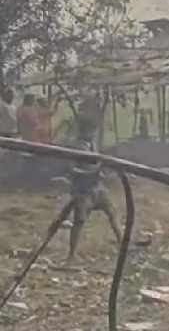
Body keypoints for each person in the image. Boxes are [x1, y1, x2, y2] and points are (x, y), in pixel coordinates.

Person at [66, 98, 121, 266]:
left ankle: (123, 244)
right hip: (83, 190)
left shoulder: (92, 144)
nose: (94, 133)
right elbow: (72, 170)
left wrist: (102, 171)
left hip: (97, 187)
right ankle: (71, 255)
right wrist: (92, 172)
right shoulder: (76, 147)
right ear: (85, 130)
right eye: (92, 130)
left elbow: (97, 163)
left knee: (112, 213)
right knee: (79, 222)